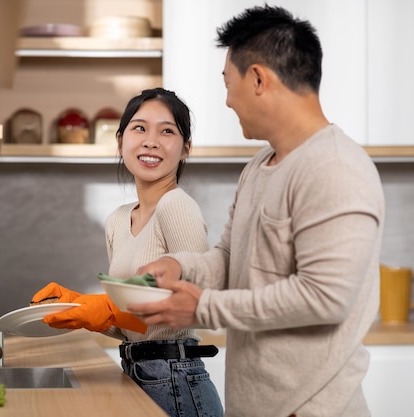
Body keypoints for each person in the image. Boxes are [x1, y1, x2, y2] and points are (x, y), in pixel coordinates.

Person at [128, 6, 385, 417]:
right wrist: (180, 267)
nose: (227, 100)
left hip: (313, 408)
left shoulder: (335, 167)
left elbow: (325, 298)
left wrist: (202, 308)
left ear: (259, 79)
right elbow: (231, 259)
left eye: (228, 83)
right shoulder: (259, 167)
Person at [31, 88, 224, 417]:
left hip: (177, 381)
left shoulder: (176, 205)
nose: (151, 141)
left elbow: (199, 303)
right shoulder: (118, 220)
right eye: (139, 128)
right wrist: (80, 309)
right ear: (120, 142)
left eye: (167, 131)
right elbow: (131, 327)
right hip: (137, 373)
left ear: (185, 149)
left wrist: (104, 308)